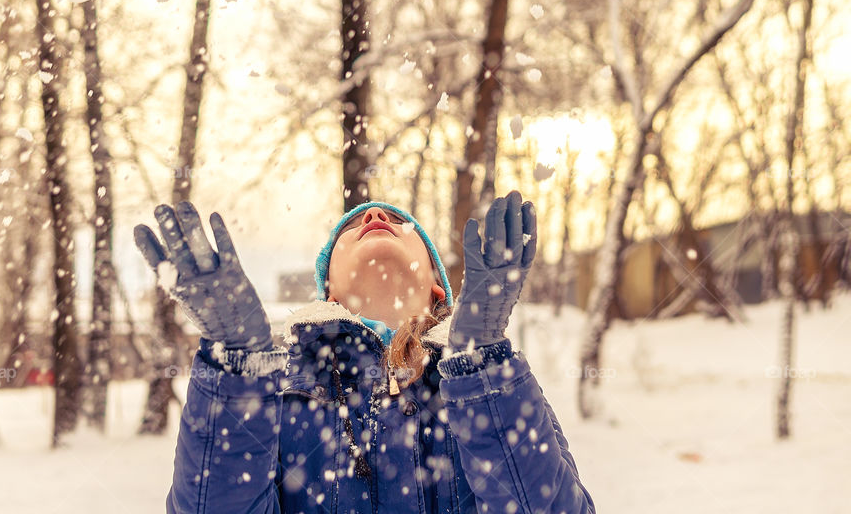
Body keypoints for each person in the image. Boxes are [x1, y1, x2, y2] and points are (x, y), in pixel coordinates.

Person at [134, 191, 595, 513]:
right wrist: (238, 368)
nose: (375, 218)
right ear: (328, 289)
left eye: (399, 222)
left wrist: (481, 366)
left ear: (437, 283)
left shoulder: (490, 387)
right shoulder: (273, 395)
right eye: (351, 225)